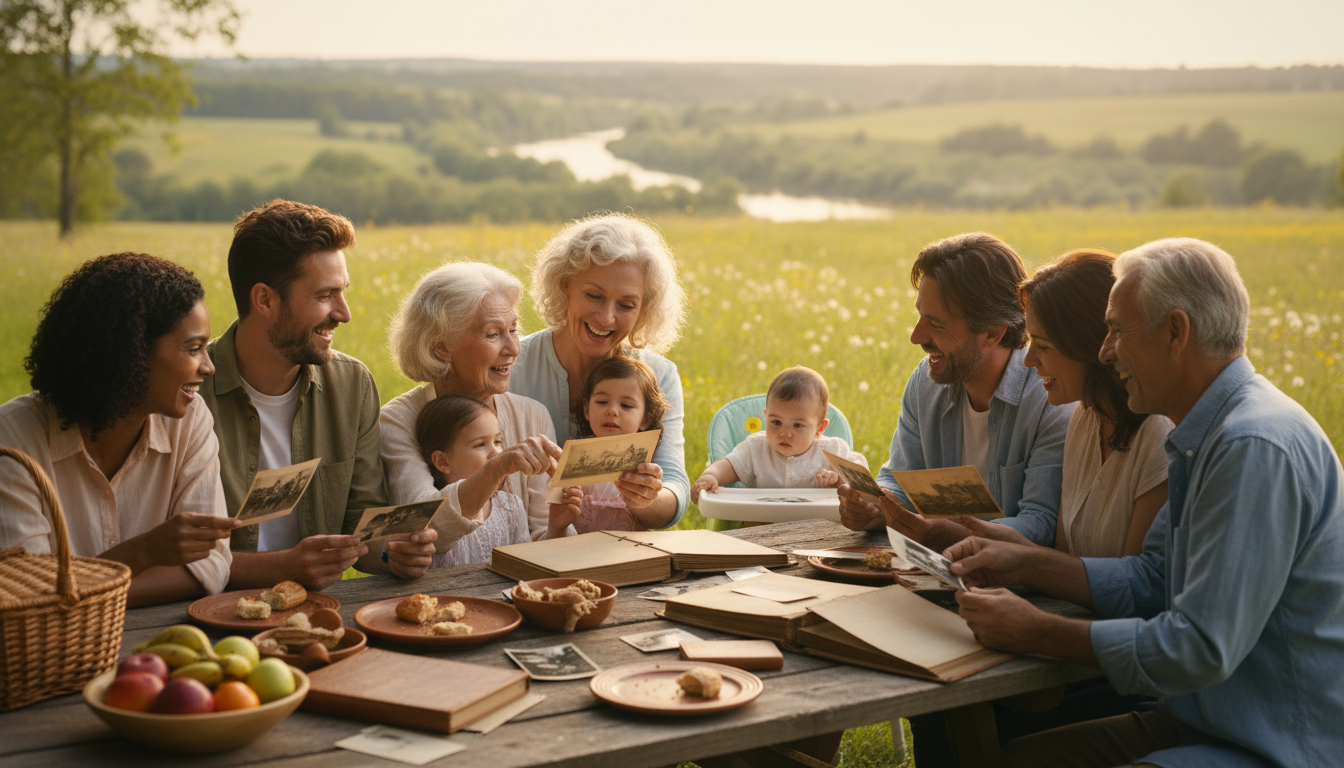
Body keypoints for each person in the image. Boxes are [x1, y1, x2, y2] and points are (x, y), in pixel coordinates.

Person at [948, 237, 1344, 768]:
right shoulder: (1203, 432)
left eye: (1115, 330)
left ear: (1175, 331)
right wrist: (1027, 562)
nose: (1105, 351)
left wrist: (1039, 629)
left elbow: (1199, 646)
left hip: (1274, 744)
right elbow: (1154, 580)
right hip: (1200, 722)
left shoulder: (1251, 446)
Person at [201, 199, 435, 588]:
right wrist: (281, 569)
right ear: (265, 300)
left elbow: (363, 522)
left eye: (342, 292)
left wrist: (393, 551)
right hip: (211, 614)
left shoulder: (351, 385)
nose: (343, 313)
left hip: (319, 612)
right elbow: (176, 555)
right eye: (325, 295)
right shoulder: (189, 394)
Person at [0, 253, 236, 607]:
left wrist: (83, 597)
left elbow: (211, 566)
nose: (209, 367)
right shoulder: (14, 438)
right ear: (132, 353)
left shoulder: (191, 419)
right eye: (193, 349)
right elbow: (29, 596)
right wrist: (143, 553)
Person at [838, 232, 1071, 550]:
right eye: (919, 316)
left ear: (992, 332)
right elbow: (901, 478)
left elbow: (1041, 524)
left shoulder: (1051, 397)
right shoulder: (927, 381)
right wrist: (876, 507)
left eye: (935, 324)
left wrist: (958, 535)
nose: (917, 337)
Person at [511, 213, 689, 529]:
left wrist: (648, 498)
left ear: (644, 308)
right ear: (565, 285)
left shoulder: (659, 374)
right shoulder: (512, 365)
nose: (606, 318)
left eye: (626, 305)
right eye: (594, 296)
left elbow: (675, 490)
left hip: (624, 553)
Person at [381, 261, 566, 548]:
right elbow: (421, 527)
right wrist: (497, 467)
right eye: (493, 334)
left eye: (513, 330)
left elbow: (541, 536)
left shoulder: (531, 415)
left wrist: (560, 524)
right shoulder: (398, 420)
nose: (513, 348)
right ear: (442, 347)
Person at [1020, 250, 1172, 558]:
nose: (1028, 360)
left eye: (1044, 346)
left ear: (1093, 347)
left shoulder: (1159, 435)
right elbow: (1066, 555)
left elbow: (1138, 584)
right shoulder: (1084, 418)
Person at [692, 366, 867, 500]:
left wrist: (838, 481)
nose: (785, 433)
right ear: (766, 417)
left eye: (797, 425)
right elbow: (728, 466)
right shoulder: (756, 448)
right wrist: (710, 476)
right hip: (763, 524)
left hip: (817, 524)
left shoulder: (831, 451)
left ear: (819, 429)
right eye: (776, 422)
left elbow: (862, 481)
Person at [413, 394, 541, 566]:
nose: (496, 453)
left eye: (497, 441)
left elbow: (525, 566)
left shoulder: (511, 508)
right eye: (480, 444)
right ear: (443, 462)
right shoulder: (435, 519)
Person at [557, 356, 670, 533]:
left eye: (626, 405)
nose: (612, 411)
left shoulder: (642, 467)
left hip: (628, 552)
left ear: (646, 418)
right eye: (602, 402)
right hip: (576, 553)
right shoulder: (572, 457)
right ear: (586, 409)